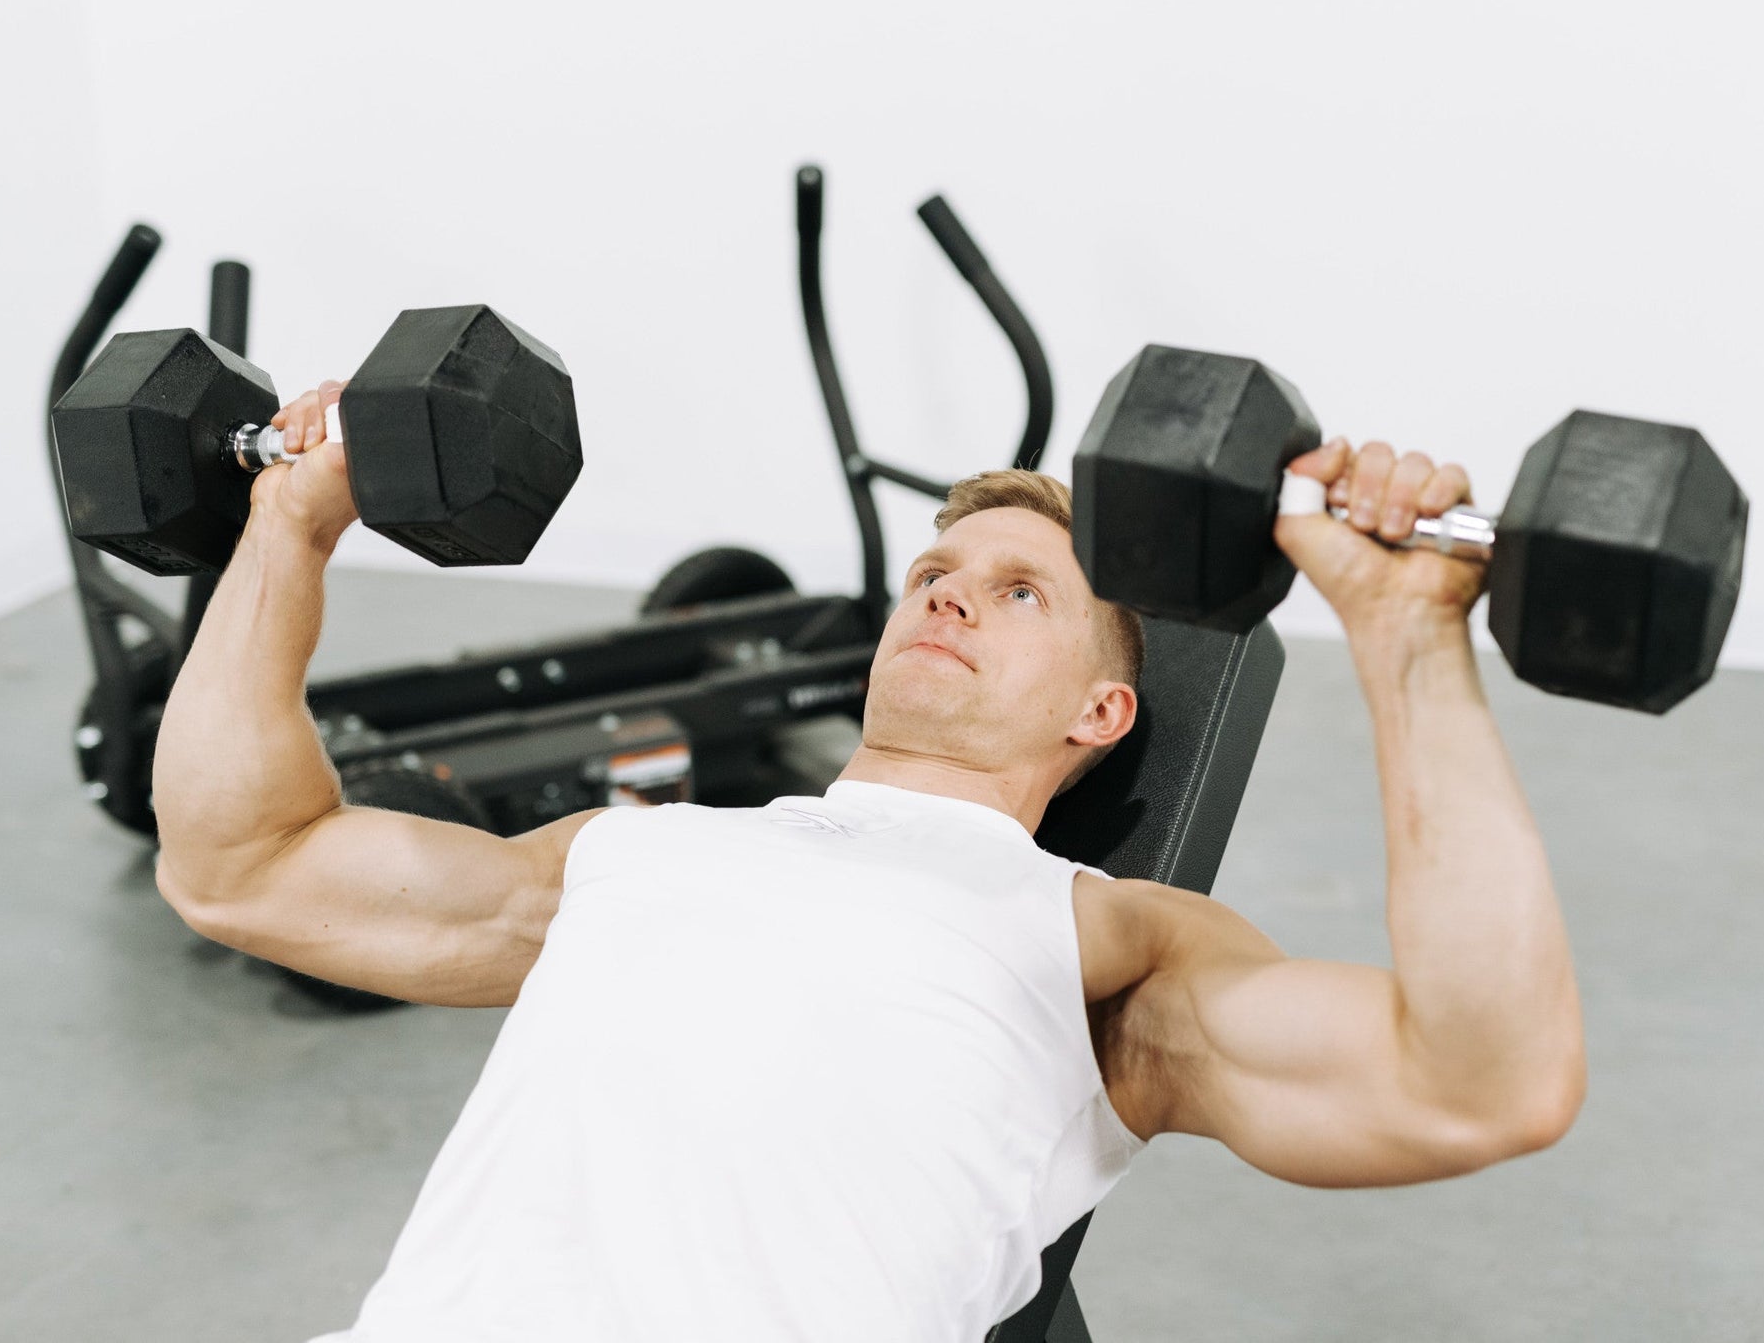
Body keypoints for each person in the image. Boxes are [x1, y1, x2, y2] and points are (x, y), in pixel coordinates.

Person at [153, 380, 1586, 1342]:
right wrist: (289, 524)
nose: (950, 597)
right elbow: (242, 864)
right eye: (934, 579)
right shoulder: (630, 855)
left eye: (1018, 591)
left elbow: (1480, 1080)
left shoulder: (1110, 947)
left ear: (1102, 713)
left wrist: (1406, 640)